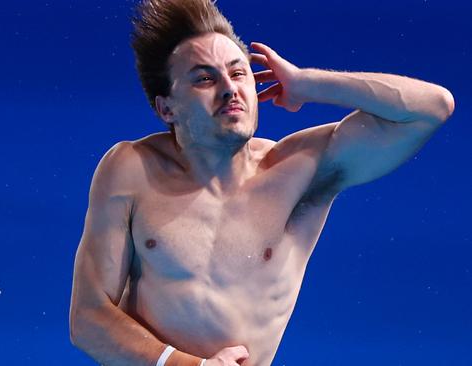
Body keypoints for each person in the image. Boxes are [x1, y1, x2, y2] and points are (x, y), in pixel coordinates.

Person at [68, 0, 455, 365]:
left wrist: (309, 83)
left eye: (239, 72)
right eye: (204, 78)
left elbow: (432, 108)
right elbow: (87, 316)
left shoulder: (300, 170)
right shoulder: (131, 169)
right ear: (166, 107)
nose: (229, 88)